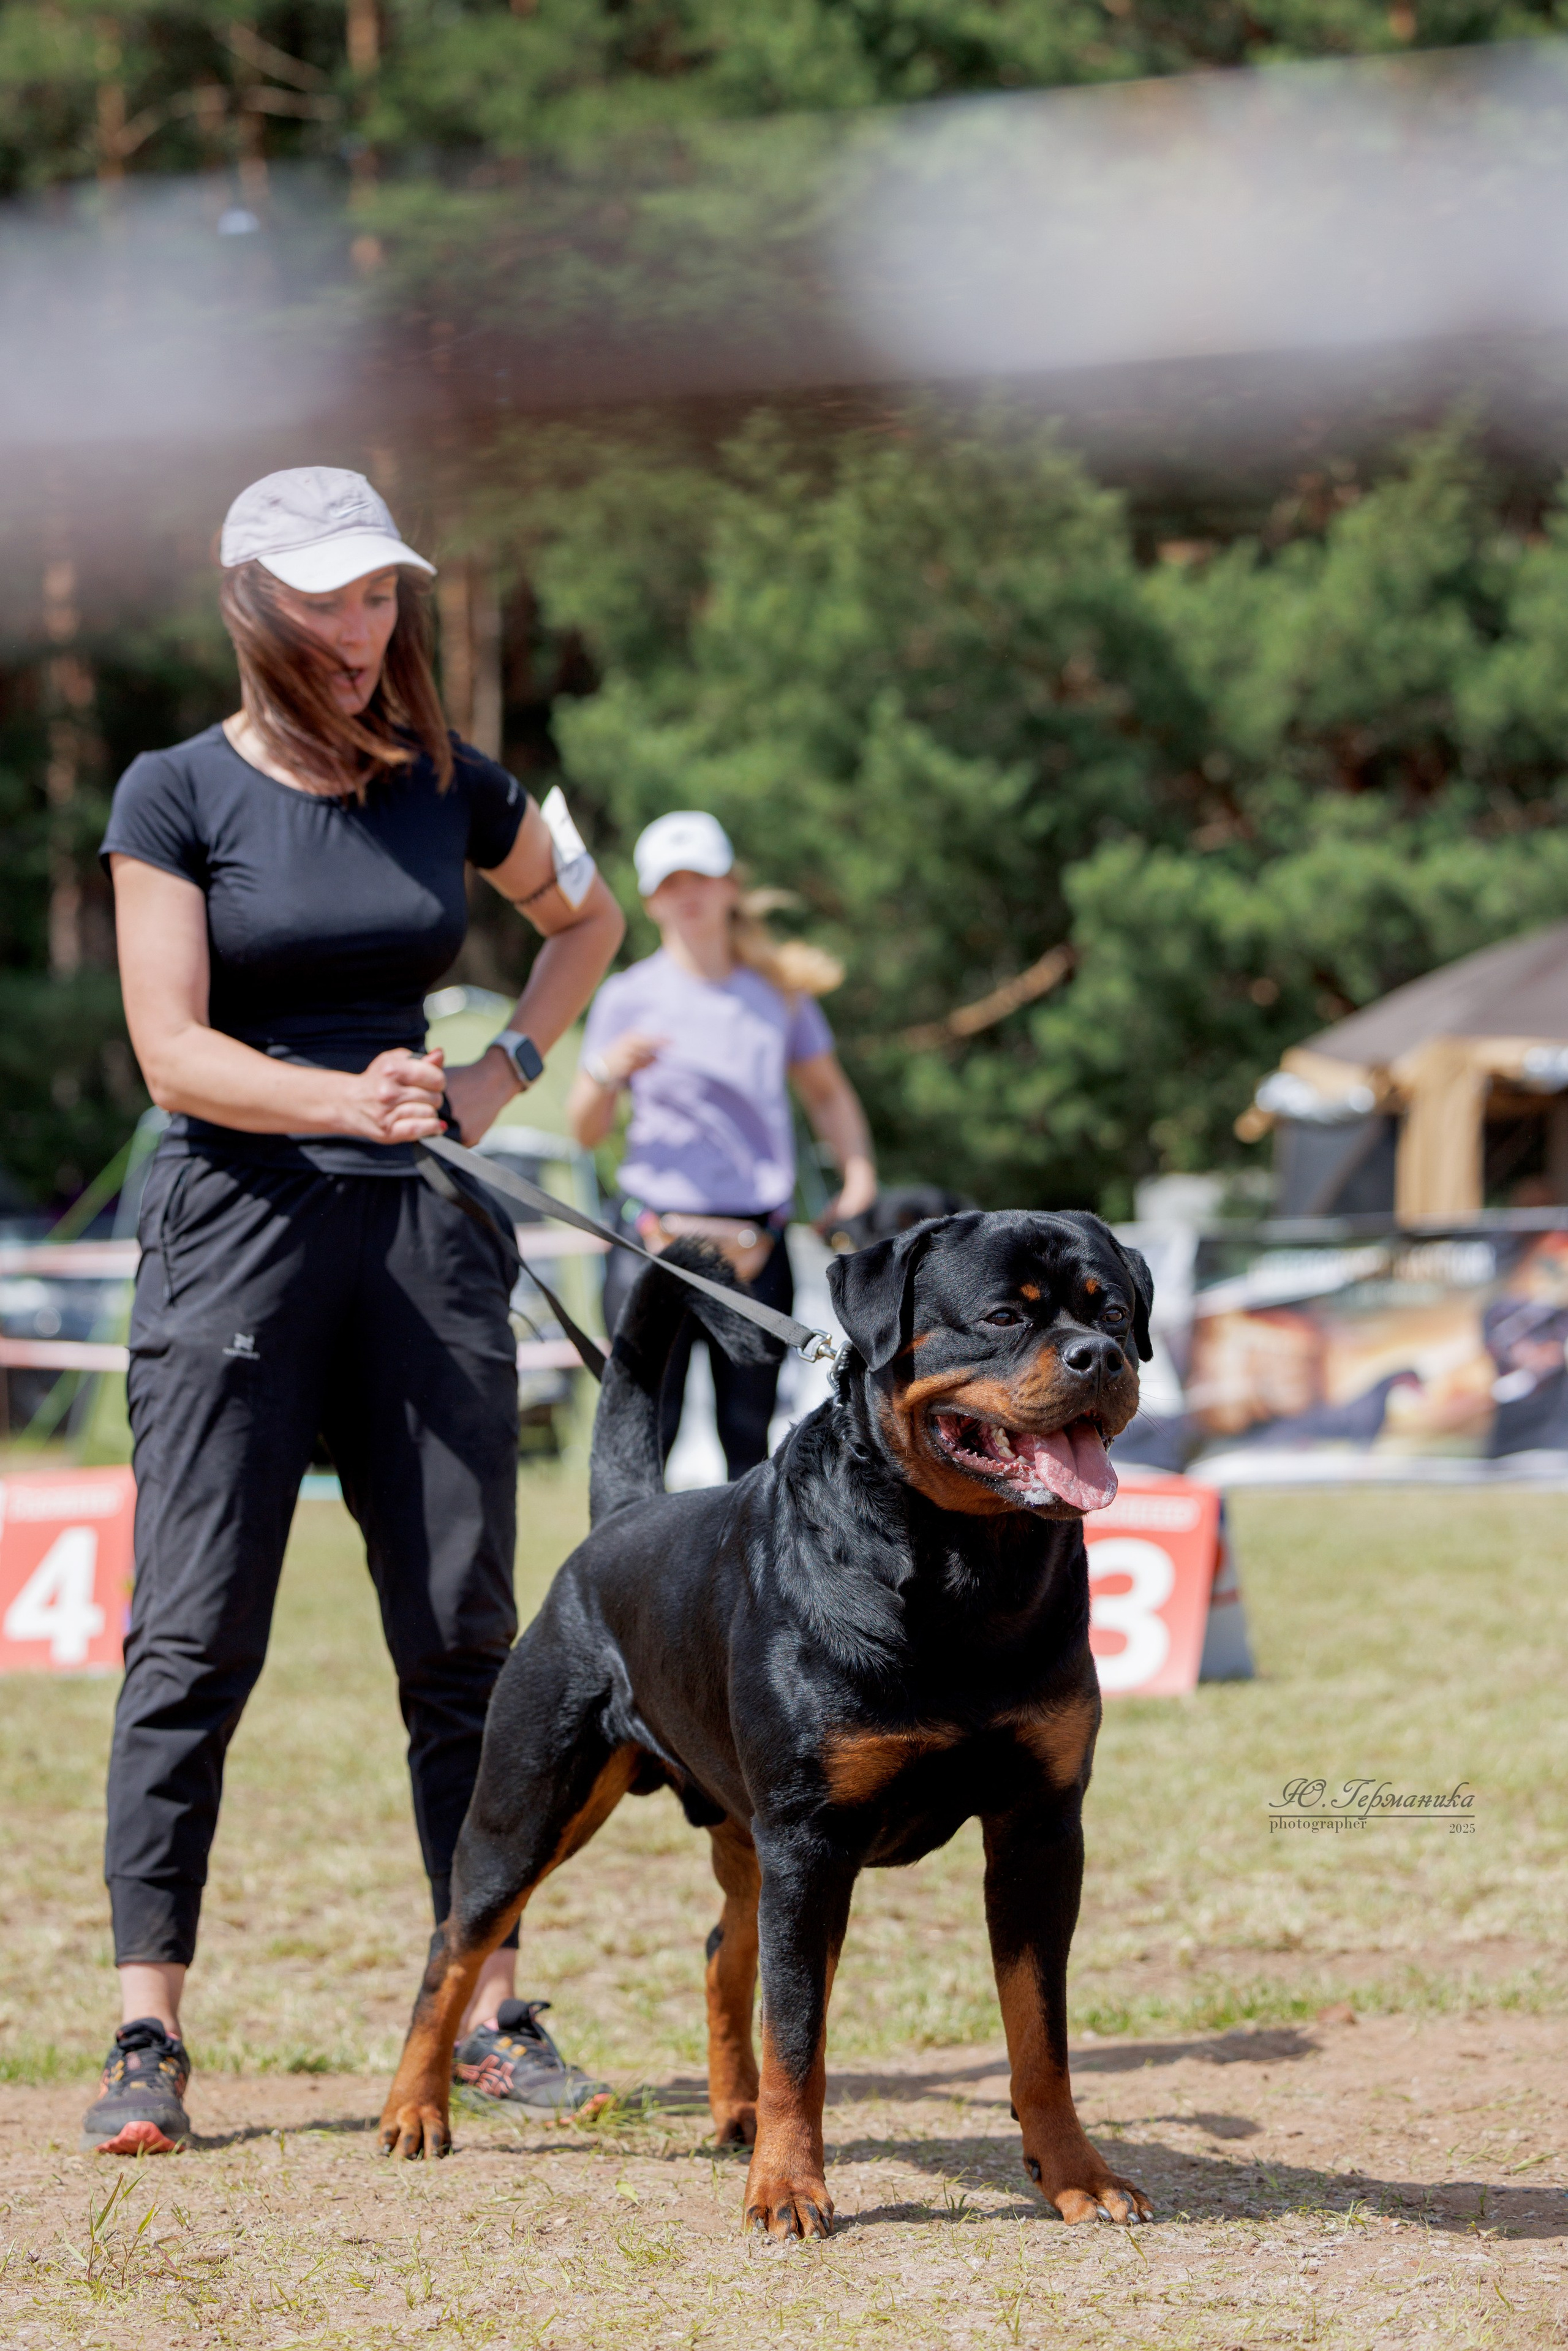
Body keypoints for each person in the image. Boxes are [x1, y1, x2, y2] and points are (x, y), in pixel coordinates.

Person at [83, 467, 625, 2157]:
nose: (358, 623)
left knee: (468, 1634)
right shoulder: (171, 792)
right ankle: (147, 2034)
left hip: (422, 1242)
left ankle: (489, 2002)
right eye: (323, 595)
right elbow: (172, 1051)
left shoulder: (450, 782)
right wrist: (348, 1097)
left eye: (379, 590)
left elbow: (584, 919)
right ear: (250, 599)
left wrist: (498, 1075)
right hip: (233, 1235)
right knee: (192, 1640)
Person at [567, 810, 876, 1478]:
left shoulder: (779, 994)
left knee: (749, 1439)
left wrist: (857, 1178)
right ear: (650, 898)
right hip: (653, 1245)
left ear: (731, 884)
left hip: (755, 1245)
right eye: (671, 882)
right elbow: (584, 1131)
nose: (688, 894)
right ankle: (628, 1583)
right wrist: (603, 1072)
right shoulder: (626, 996)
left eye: (701, 877)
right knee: (645, 1438)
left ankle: (746, 1583)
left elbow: (826, 1093)